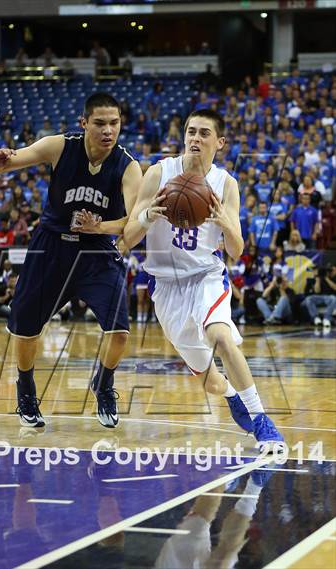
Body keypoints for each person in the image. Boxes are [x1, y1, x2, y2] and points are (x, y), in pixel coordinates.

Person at [123, 108, 284, 451]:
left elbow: (237, 250)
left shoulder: (226, 184)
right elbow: (129, 237)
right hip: (165, 286)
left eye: (204, 133)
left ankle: (262, 421)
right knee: (210, 381)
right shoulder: (159, 173)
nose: (195, 139)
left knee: (221, 337)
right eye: (191, 132)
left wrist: (225, 221)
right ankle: (231, 395)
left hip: (206, 276)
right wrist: (148, 215)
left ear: (219, 142)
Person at [0, 92, 142, 429]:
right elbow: (12, 160)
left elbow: (133, 219)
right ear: (84, 123)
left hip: (96, 251)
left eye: (114, 123)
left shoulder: (128, 166)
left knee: (120, 332)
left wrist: (99, 226)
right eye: (99, 123)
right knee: (26, 330)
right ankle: (25, 390)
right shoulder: (60, 146)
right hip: (52, 246)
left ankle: (104, 384)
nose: (108, 130)